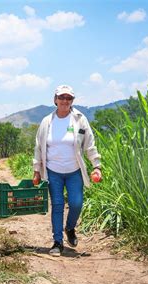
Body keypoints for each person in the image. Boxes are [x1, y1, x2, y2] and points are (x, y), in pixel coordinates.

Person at [33, 84, 102, 257]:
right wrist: (36, 170)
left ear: (72, 101)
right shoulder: (47, 122)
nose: (65, 101)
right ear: (55, 100)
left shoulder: (79, 119)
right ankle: (57, 242)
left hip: (74, 171)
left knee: (77, 203)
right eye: (61, 97)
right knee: (57, 205)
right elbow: (38, 147)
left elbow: (90, 144)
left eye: (68, 98)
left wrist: (96, 165)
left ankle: (70, 228)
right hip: (53, 170)